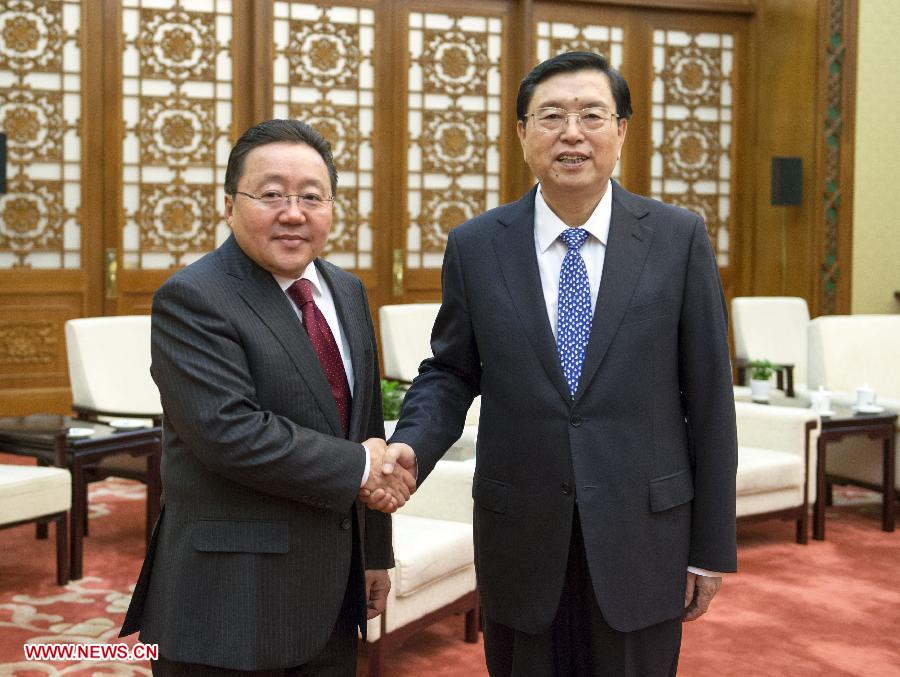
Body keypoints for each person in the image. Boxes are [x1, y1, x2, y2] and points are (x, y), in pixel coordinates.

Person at [386, 52, 738, 676]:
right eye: (551, 115)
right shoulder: (477, 244)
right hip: (521, 534)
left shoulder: (678, 238)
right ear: (522, 133)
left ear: (621, 130)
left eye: (591, 115)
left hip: (643, 538)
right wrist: (412, 443)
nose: (571, 132)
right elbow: (452, 370)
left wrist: (710, 548)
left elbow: (710, 397)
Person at [120, 119, 415, 675]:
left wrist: (374, 552)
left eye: (311, 196)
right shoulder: (193, 298)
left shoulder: (346, 291)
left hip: (331, 595)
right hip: (229, 602)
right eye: (271, 194)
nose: (293, 212)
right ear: (229, 206)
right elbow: (231, 434)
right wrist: (362, 467)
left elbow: (367, 425)